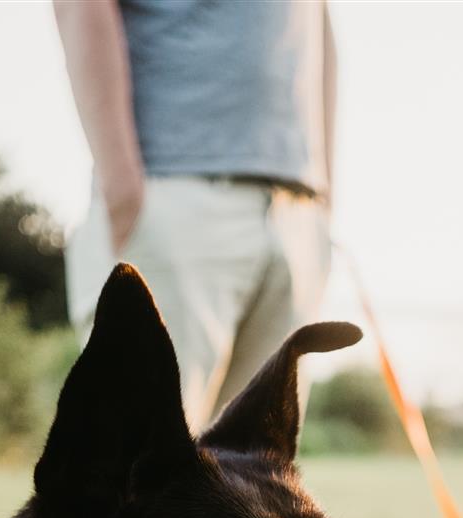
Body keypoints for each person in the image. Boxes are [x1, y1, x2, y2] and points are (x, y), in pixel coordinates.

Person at [54, 0, 337, 430]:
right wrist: (122, 184)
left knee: (256, 469)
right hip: (172, 188)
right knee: (134, 461)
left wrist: (322, 191)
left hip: (294, 208)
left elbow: (320, 29)